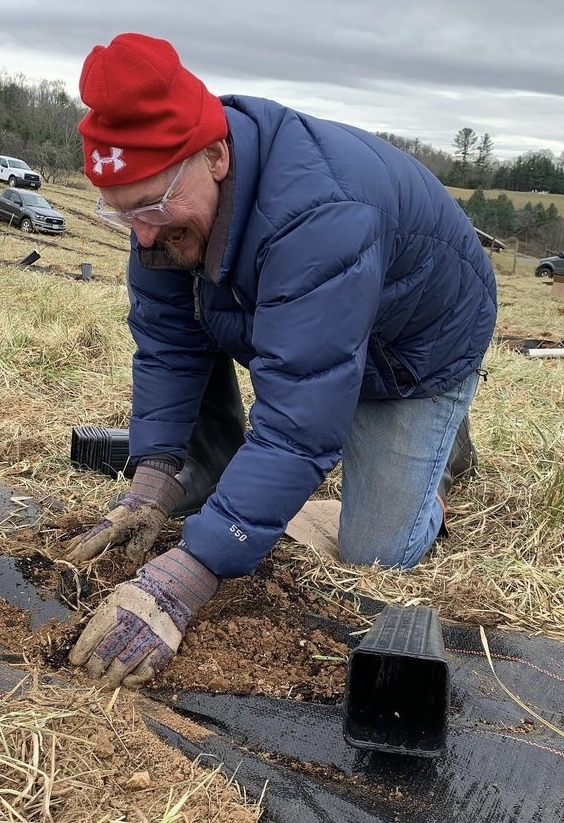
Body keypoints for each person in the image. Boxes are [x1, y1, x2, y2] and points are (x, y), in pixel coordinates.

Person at [62, 32, 497, 688]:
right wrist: (152, 478)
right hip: (315, 327)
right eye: (121, 214)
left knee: (378, 550)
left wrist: (185, 577)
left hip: (414, 347)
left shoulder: (318, 217)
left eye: (153, 207)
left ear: (213, 156)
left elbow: (298, 426)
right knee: (276, 373)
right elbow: (169, 345)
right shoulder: (156, 216)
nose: (143, 233)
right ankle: (212, 484)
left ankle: (438, 448)